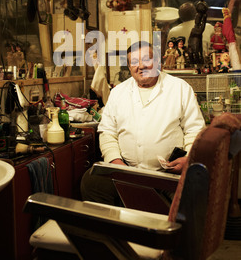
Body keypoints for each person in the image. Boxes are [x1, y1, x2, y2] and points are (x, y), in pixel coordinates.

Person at [80, 40, 205, 205]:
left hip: (167, 174)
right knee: (90, 182)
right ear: (129, 67)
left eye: (146, 59)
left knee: (189, 202)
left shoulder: (180, 89)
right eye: (134, 62)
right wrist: (115, 162)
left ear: (158, 61)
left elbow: (195, 130)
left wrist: (188, 158)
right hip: (126, 171)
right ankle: (117, 227)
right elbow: (107, 132)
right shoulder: (118, 93)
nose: (141, 66)